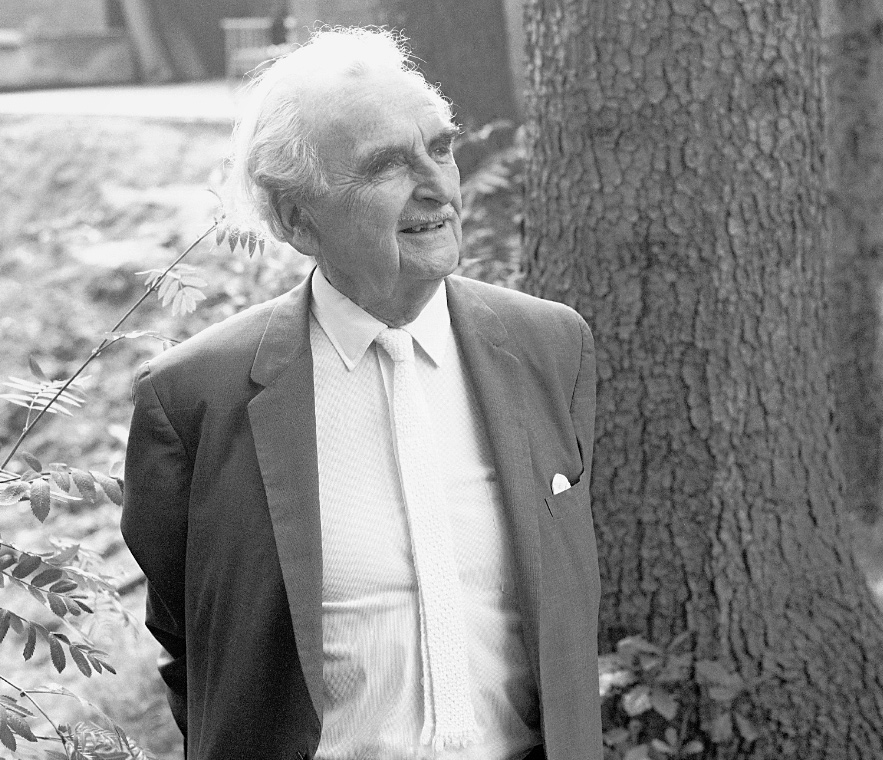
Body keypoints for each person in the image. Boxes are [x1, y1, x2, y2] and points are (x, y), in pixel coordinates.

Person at [120, 28, 601, 760]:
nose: (438, 187)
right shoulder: (195, 400)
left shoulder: (551, 346)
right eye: (387, 166)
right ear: (296, 218)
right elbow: (192, 642)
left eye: (440, 148)